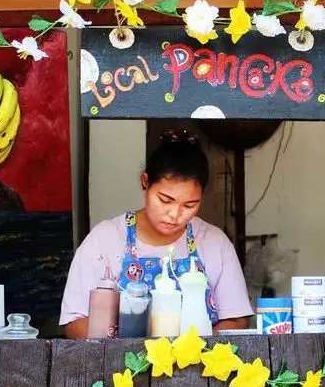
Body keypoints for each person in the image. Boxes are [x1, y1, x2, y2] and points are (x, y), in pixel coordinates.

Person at [60, 129, 253, 338]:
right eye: (165, 200)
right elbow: (75, 321)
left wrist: (191, 353)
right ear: (145, 182)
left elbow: (236, 319)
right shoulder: (104, 240)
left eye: (189, 205)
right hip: (121, 369)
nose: (175, 215)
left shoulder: (214, 242)